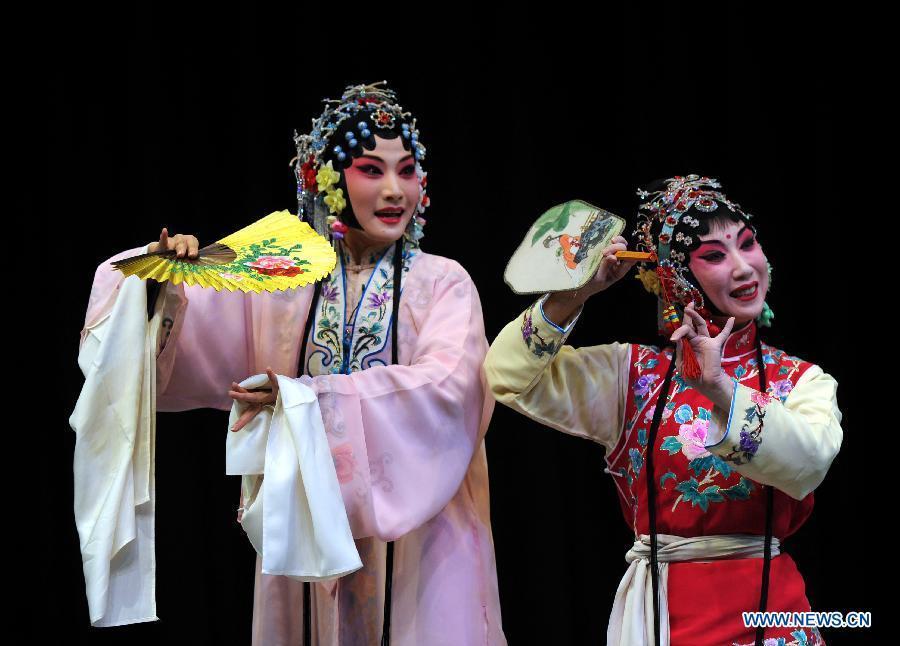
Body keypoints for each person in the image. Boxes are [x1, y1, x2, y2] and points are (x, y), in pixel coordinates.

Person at [75, 82, 506, 645]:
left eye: (408, 170)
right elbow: (183, 339)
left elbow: (448, 394)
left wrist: (307, 403)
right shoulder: (286, 283)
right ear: (328, 180)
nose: (395, 190)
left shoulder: (442, 284)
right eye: (372, 170)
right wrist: (162, 282)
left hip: (422, 550)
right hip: (302, 538)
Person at [483, 175, 842, 646]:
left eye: (747, 244)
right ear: (675, 275)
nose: (743, 268)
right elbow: (508, 377)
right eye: (714, 255)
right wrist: (575, 293)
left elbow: (808, 462)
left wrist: (718, 387)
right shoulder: (633, 375)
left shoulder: (800, 380)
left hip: (771, 612)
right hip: (665, 615)